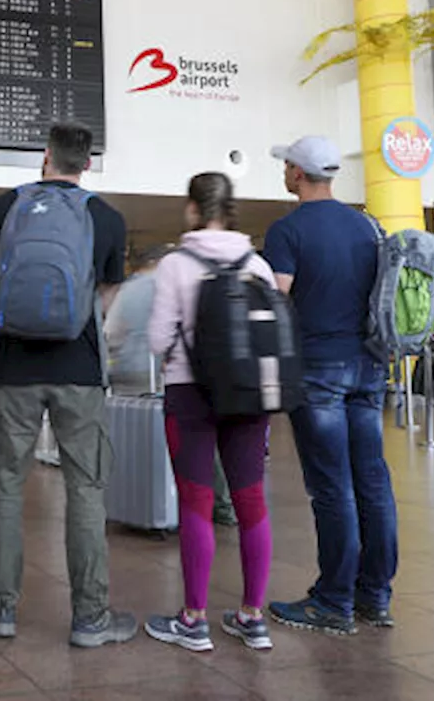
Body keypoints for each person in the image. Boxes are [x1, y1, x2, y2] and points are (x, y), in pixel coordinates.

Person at [0, 122, 136, 646]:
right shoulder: (106, 217)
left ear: (45, 157)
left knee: (4, 487)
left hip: (15, 370)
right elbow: (108, 295)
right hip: (80, 370)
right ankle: (90, 618)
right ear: (87, 163)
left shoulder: (5, 208)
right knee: (85, 490)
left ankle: (1, 610)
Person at [264, 136, 396, 634]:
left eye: (286, 167)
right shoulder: (366, 225)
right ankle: (375, 596)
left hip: (317, 370)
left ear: (298, 173)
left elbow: (278, 303)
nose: (285, 173)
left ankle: (333, 601)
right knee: (374, 482)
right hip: (369, 367)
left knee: (332, 487)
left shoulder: (287, 230)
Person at [143, 172, 277, 652]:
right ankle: (252, 617)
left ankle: (194, 620)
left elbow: (158, 339)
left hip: (190, 394)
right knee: (251, 501)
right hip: (249, 396)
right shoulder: (257, 265)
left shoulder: (175, 265)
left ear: (193, 209)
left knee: (197, 501)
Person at [106, 245, 237, 527]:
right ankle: (220, 506)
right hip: (175, 374)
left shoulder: (127, 292)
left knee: (139, 440)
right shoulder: (175, 285)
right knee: (200, 439)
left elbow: (112, 333)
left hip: (130, 376)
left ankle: (145, 505)